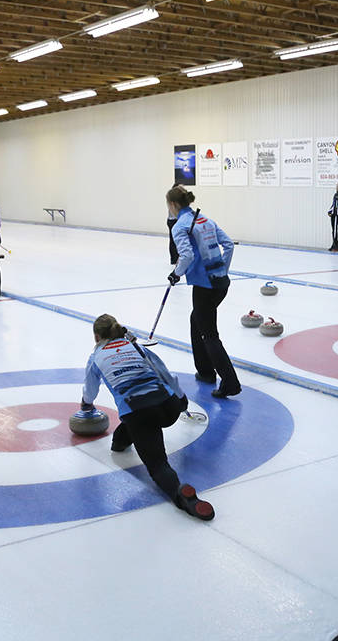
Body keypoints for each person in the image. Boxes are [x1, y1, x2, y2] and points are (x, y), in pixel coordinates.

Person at [81, 314, 214, 521]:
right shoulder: (137, 347)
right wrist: (181, 399)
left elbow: (90, 391)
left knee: (158, 466)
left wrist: (86, 405)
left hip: (141, 413)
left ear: (97, 337)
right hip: (168, 407)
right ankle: (121, 439)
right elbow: (165, 374)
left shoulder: (96, 357)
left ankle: (182, 496)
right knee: (119, 444)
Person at [167, 185, 240, 399]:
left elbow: (187, 255)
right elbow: (229, 245)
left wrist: (176, 273)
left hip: (204, 287)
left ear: (173, 205)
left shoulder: (180, 226)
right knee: (196, 319)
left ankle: (230, 382)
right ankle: (205, 371)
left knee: (209, 334)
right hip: (220, 284)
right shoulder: (205, 219)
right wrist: (221, 270)